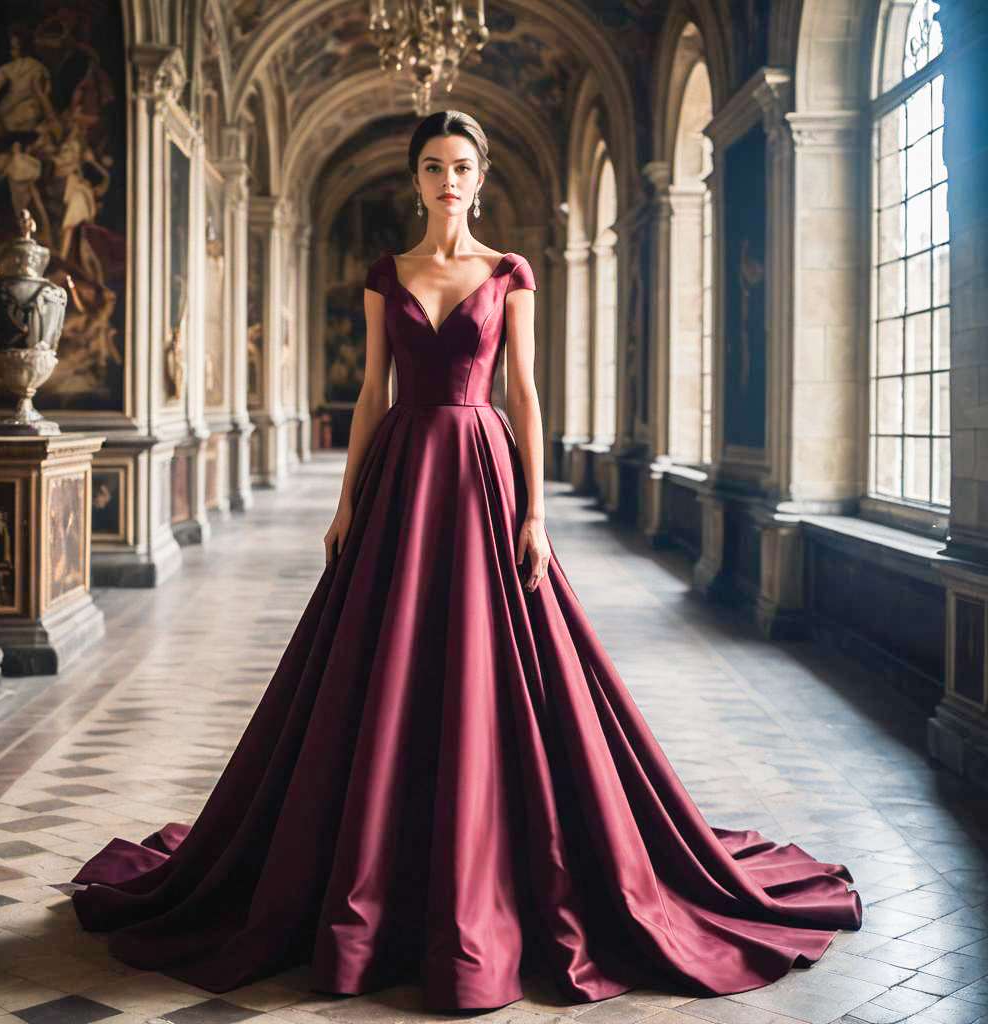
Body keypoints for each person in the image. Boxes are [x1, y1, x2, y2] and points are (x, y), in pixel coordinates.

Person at [67, 109, 862, 1012]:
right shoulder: (388, 274)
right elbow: (374, 393)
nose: (449, 180)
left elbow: (523, 393)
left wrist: (536, 511)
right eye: (435, 166)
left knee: (503, 664)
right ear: (416, 179)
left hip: (484, 475)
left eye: (463, 167)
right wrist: (344, 499)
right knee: (383, 660)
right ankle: (374, 861)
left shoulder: (508, 272)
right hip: (404, 475)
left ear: (480, 179)